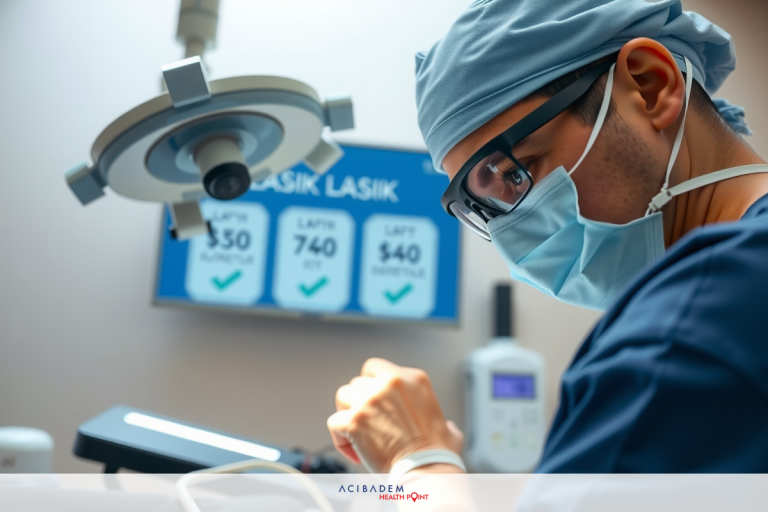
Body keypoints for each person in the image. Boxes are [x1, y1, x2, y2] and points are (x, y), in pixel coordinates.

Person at [328, 0, 768, 474]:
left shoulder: (697, 322)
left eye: (516, 174)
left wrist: (417, 457)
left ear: (649, 86)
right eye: (485, 207)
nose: (515, 239)